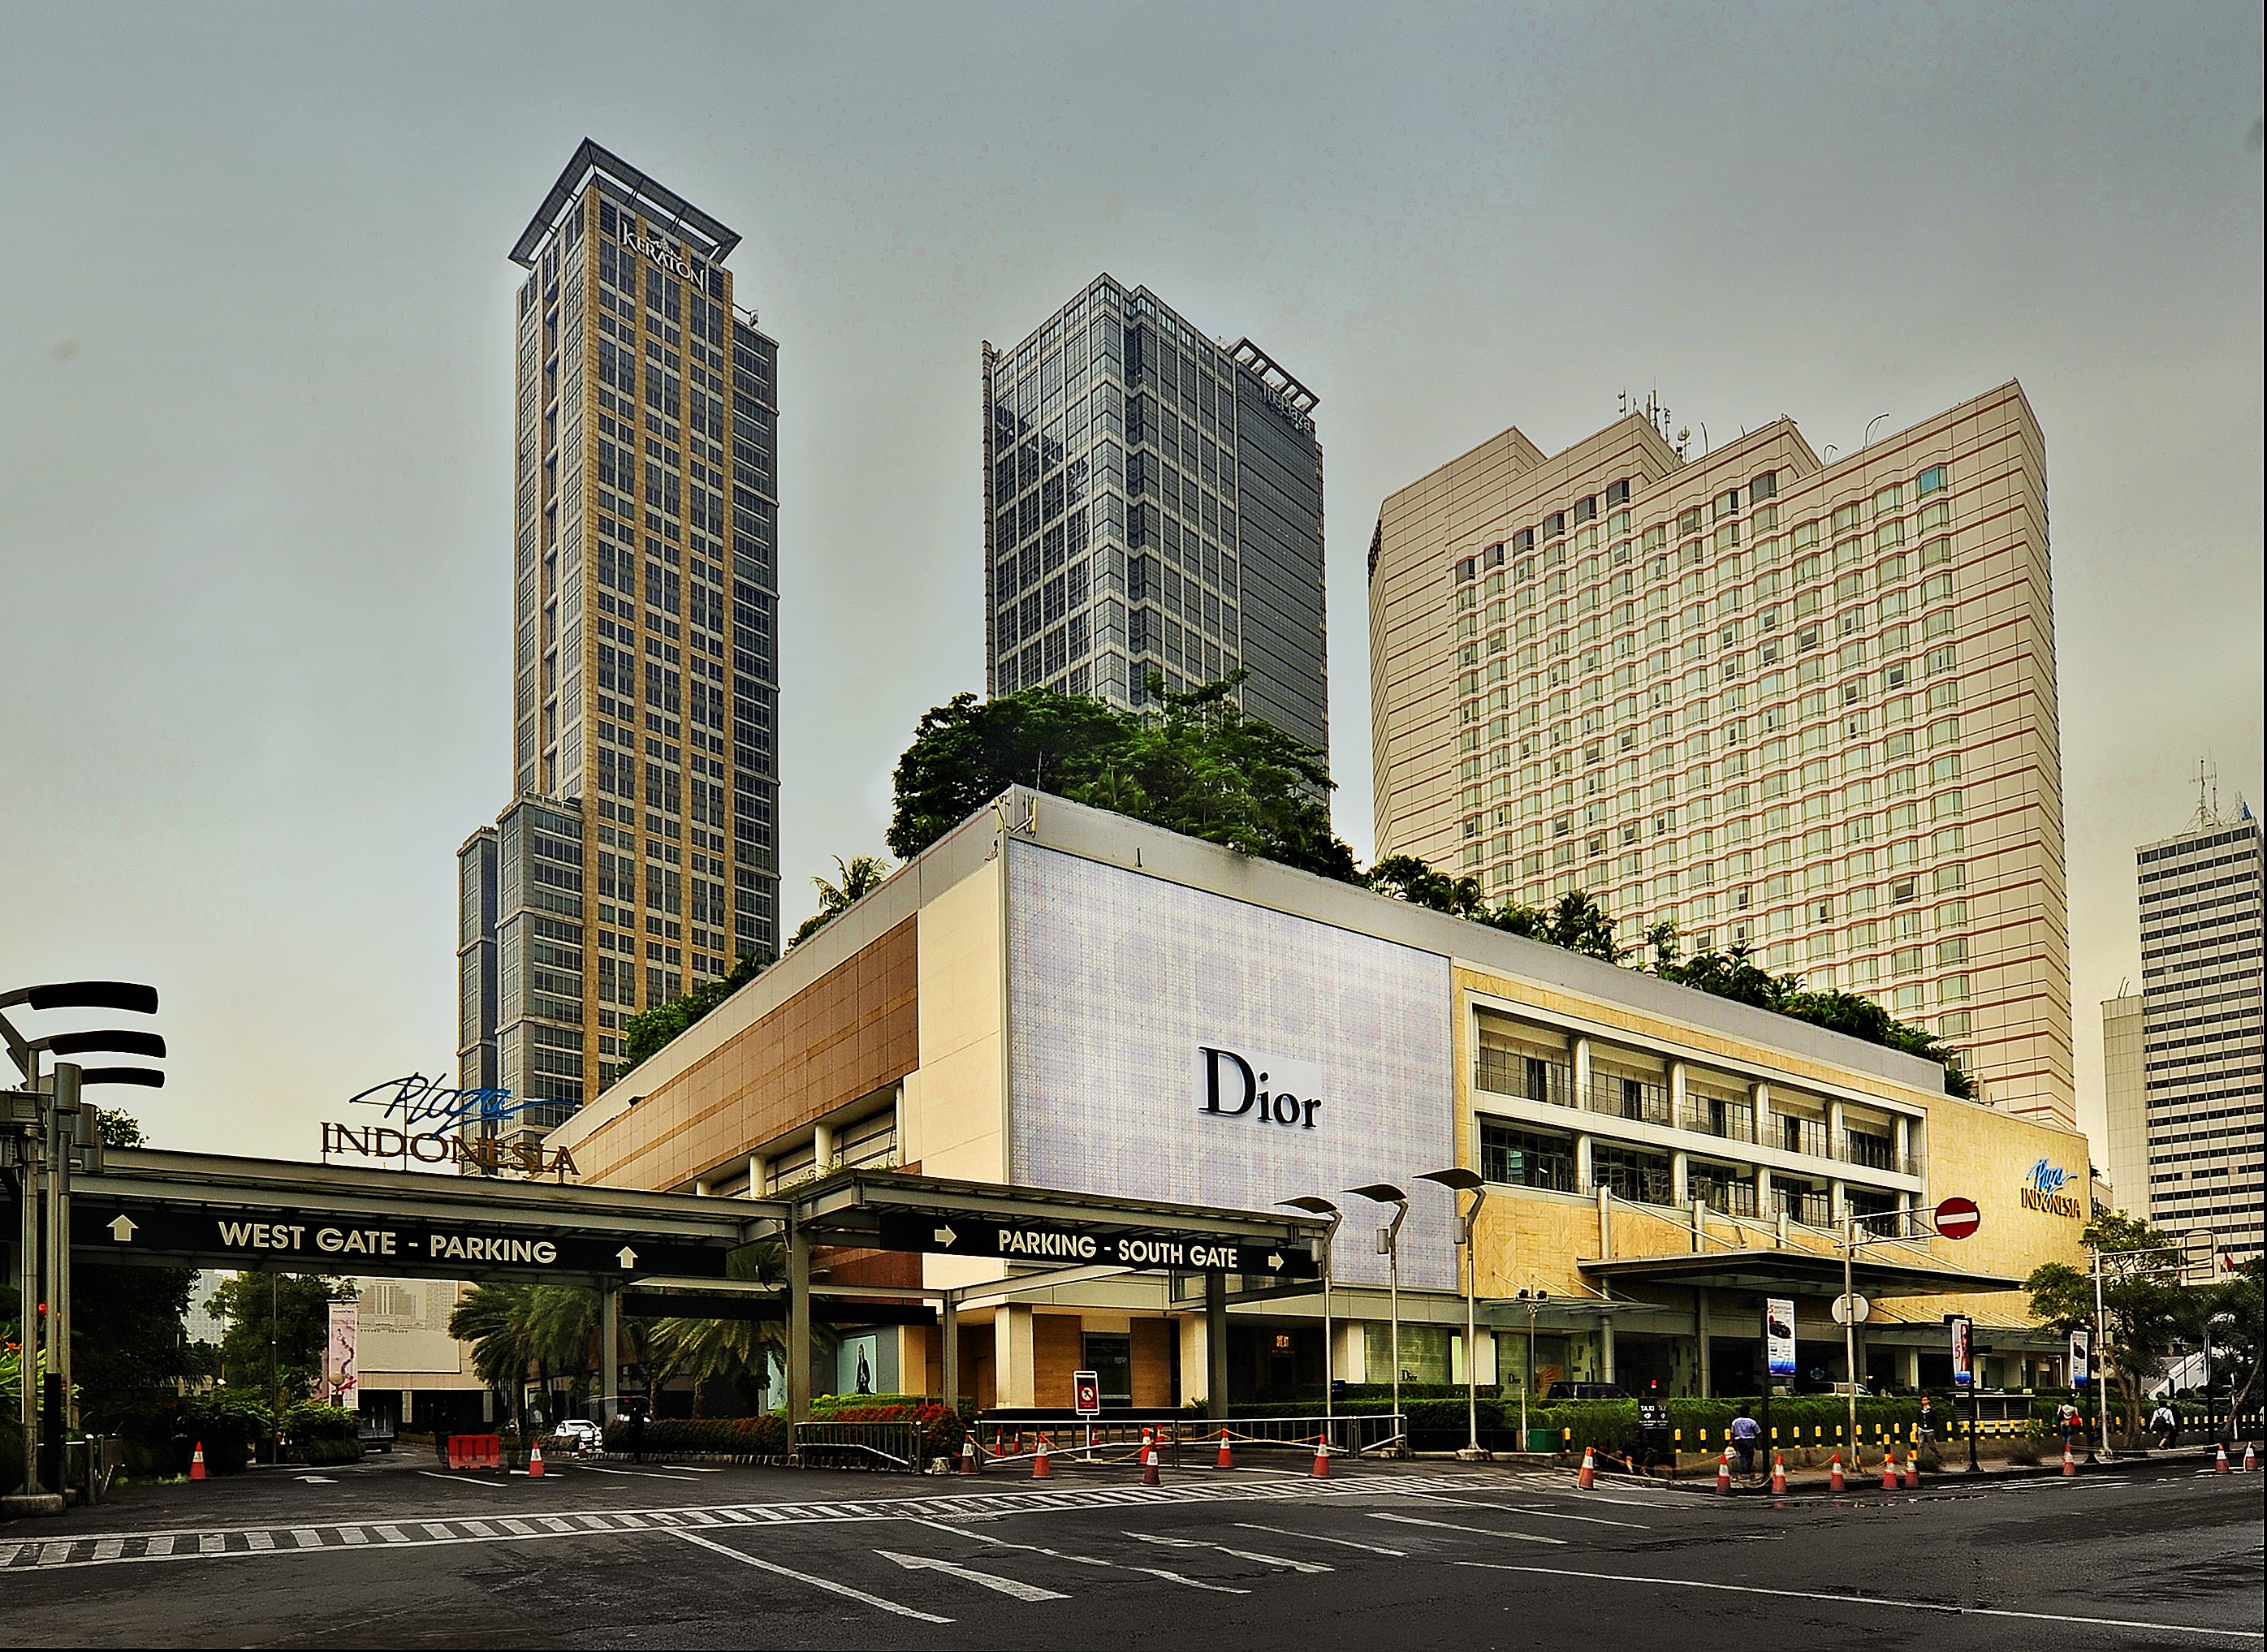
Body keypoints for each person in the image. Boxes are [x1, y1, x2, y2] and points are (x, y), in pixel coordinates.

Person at [1636, 1381, 1673, 1476]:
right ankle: (1643, 1470)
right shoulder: (1640, 1427)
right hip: (1646, 1443)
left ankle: (1643, 1470)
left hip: (1653, 1441)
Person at [1730, 1405, 1762, 1482]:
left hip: (1739, 1440)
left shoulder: (1735, 1422)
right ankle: (1747, 1472)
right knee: (1750, 1456)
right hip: (1750, 1440)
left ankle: (1743, 1473)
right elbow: (1758, 1432)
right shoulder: (1752, 1422)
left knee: (1742, 1456)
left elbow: (1732, 1433)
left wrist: (1731, 1441)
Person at [627, 1400, 648, 1464]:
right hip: (633, 1431)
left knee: (637, 1445)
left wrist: (639, 1429)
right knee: (633, 1445)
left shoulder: (639, 1411)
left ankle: (638, 1459)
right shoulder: (633, 1411)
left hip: (637, 1431)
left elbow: (640, 1422)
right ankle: (636, 1458)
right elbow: (631, 1421)